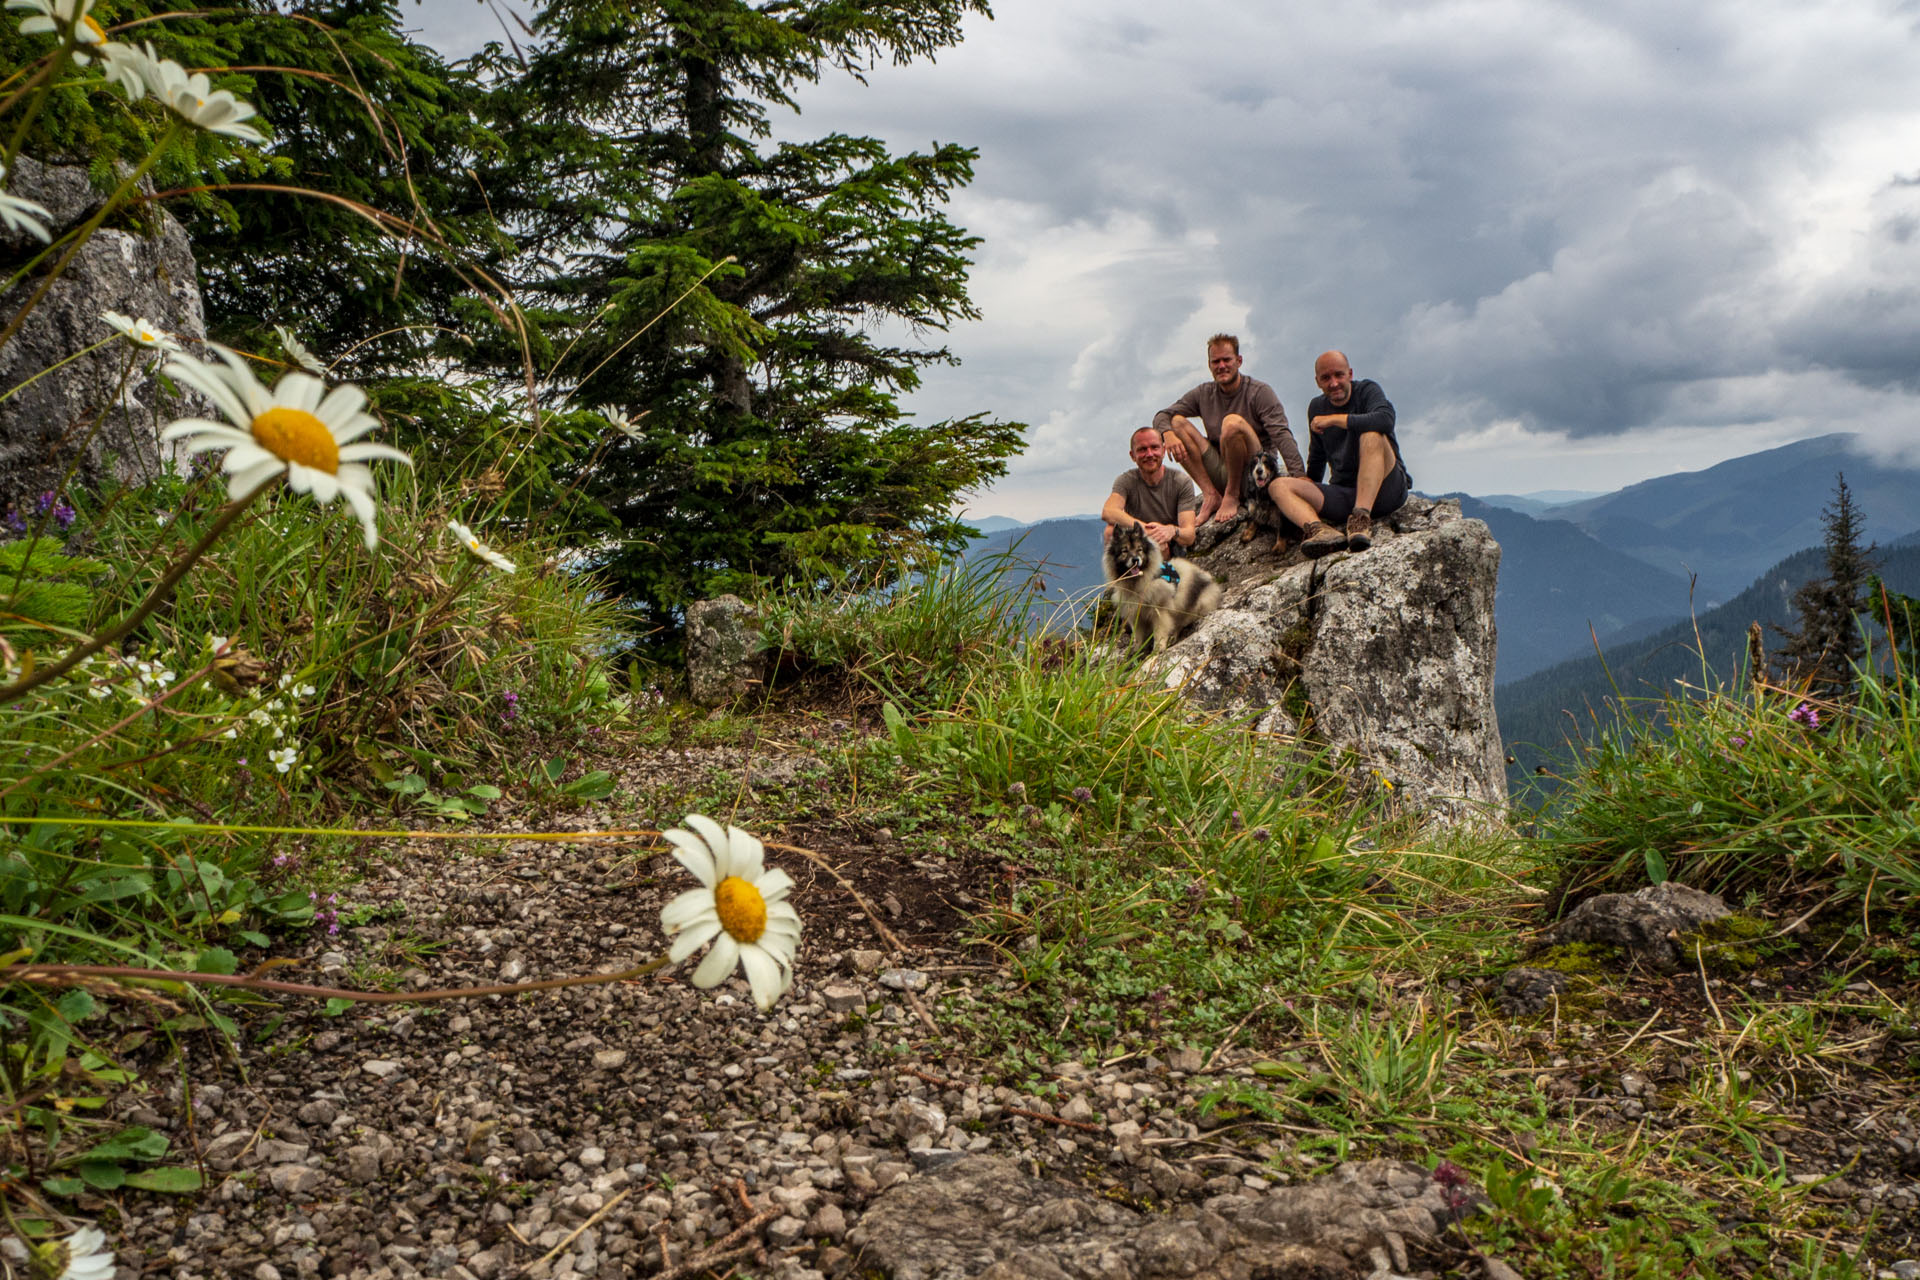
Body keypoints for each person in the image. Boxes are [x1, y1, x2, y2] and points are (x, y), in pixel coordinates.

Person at [1266, 350, 1410, 558]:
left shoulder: (1367, 391)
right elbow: (1317, 456)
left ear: (1350, 374)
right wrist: (1308, 484)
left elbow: (1384, 420)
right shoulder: (1316, 407)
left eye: (1339, 375)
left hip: (1386, 490)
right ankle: (1320, 531)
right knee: (1278, 485)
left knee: (1371, 434)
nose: (1333, 383)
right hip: (1344, 493)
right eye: (1326, 378)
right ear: (1317, 382)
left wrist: (1334, 420)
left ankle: (1361, 520)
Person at [1153, 333, 1304, 527]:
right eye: (1216, 361)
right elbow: (1162, 415)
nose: (1221, 366)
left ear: (1239, 361)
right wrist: (1168, 434)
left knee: (1232, 423)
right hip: (1221, 466)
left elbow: (1281, 434)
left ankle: (1232, 495)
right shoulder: (1204, 393)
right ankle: (1211, 495)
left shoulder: (1259, 392)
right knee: (1177, 422)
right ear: (1209, 365)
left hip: (1254, 473)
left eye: (1227, 360)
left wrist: (1299, 476)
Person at [1102, 426, 1199, 555]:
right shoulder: (1126, 481)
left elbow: (1189, 535)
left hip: (1170, 544)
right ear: (1133, 455)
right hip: (1139, 541)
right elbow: (1108, 511)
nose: (1149, 454)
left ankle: (1163, 574)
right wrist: (1146, 530)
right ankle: (1121, 574)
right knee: (1110, 532)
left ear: (1163, 450)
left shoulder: (1180, 481)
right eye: (1142, 449)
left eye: (1154, 447)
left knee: (1160, 542)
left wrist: (1171, 530)